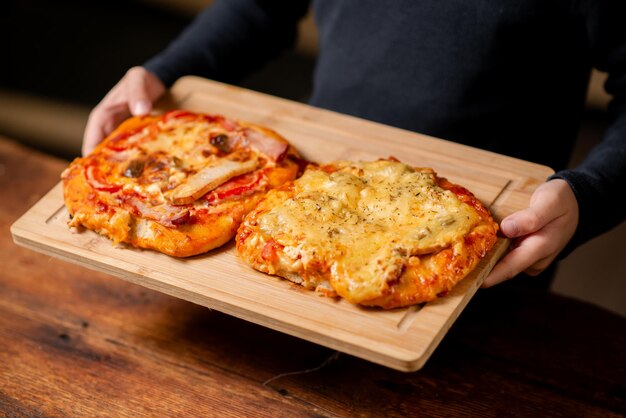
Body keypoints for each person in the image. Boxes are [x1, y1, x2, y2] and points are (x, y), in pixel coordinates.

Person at [82, 0, 625, 289]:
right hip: (309, 197)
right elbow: (259, 8)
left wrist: (593, 192)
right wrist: (166, 72)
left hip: (497, 245)